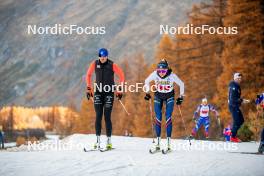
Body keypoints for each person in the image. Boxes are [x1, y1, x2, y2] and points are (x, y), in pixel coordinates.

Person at [86, 48, 125, 149]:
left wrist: (119, 89)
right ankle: (98, 141)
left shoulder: (112, 65)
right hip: (98, 92)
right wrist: (89, 88)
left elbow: (121, 76)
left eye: (104, 57)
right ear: (98, 56)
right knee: (98, 115)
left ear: (107, 56)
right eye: (101, 56)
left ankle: (109, 142)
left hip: (109, 93)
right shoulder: (94, 64)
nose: (102, 58)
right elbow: (88, 75)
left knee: (107, 116)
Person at [144, 59, 184, 151]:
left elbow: (181, 84)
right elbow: (146, 81)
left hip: (169, 96)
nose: (161, 73)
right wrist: (147, 93)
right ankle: (158, 143)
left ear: (167, 69)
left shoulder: (172, 75)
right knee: (158, 117)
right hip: (158, 96)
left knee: (168, 117)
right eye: (159, 71)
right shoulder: (154, 74)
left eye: (164, 71)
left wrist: (181, 97)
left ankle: (169, 144)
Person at [228, 73, 250, 143]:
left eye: (240, 78)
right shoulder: (233, 87)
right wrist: (242, 100)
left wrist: (241, 101)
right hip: (233, 106)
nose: (239, 80)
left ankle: (231, 132)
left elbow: (236, 98)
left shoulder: (237, 86)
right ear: (234, 78)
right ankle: (233, 137)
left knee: (241, 121)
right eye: (238, 78)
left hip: (236, 106)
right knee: (237, 121)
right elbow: (233, 99)